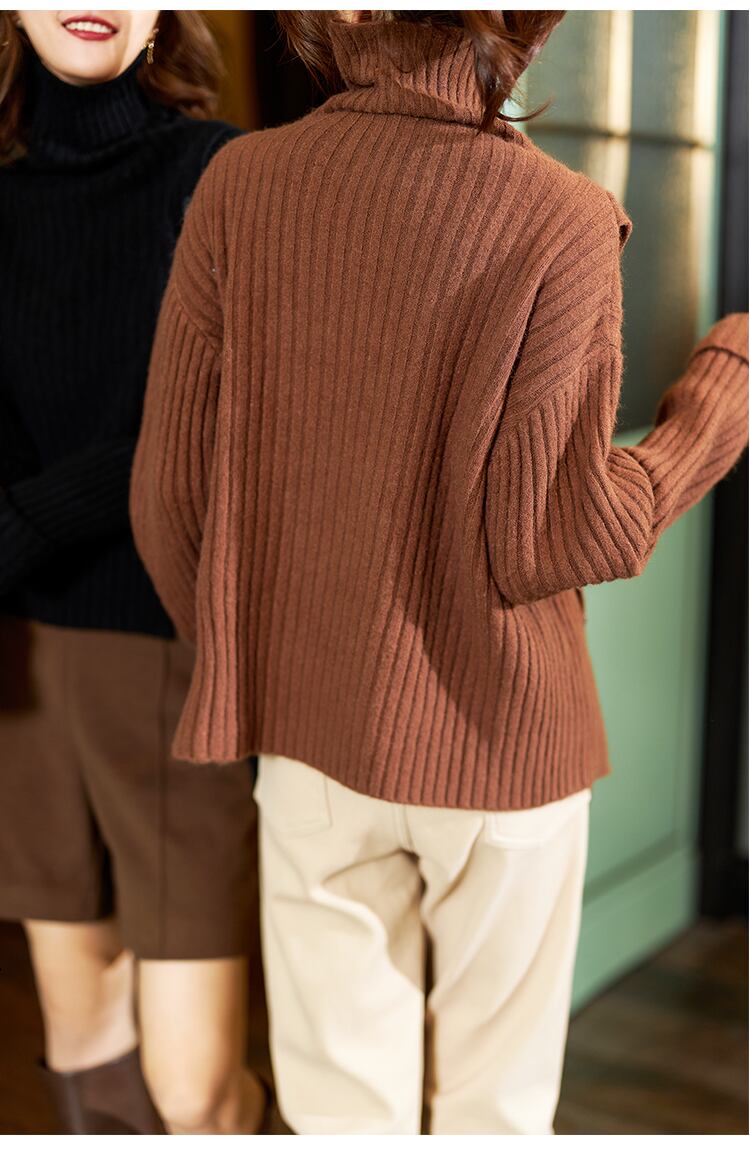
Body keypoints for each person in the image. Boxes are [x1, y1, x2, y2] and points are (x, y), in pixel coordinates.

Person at [130, 10, 749, 1135]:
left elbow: (168, 498)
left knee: (338, 1117)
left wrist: (262, 667)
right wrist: (720, 400)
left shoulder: (241, 185)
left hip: (312, 738)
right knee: (494, 1118)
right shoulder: (559, 217)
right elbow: (564, 535)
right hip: (506, 745)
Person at [0, 9, 266, 1135]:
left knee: (193, 1091)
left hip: (167, 655)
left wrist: (21, 522)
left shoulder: (219, 175)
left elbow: (203, 420)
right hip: (18, 663)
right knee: (85, 1046)